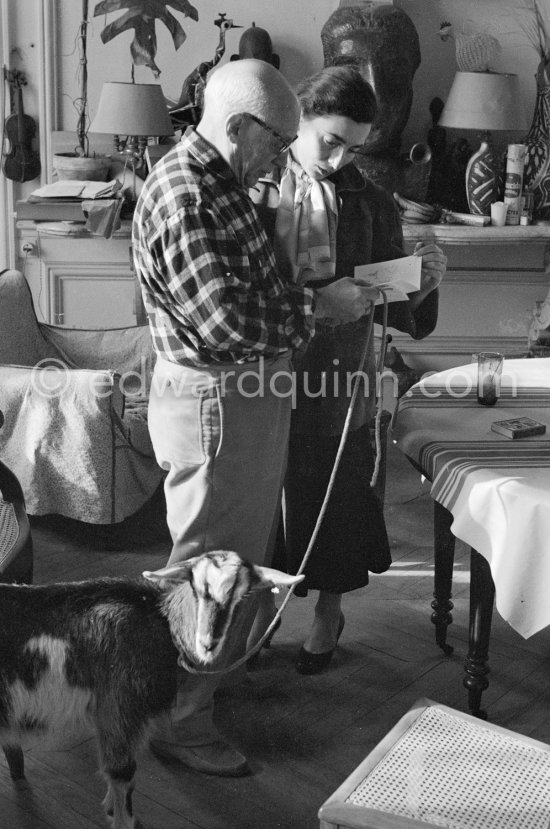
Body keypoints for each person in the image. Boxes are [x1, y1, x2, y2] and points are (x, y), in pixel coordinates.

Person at [132, 59, 374, 777]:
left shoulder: (221, 181)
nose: (286, 152)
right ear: (240, 127)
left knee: (230, 556)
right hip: (217, 400)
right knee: (209, 565)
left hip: (239, 398)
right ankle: (179, 719)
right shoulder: (186, 194)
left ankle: (200, 687)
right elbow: (227, 323)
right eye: (281, 138)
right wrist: (319, 307)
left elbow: (247, 291)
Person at [250, 65, 447, 674]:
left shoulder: (372, 199)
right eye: (329, 140)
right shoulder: (256, 188)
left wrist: (421, 283)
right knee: (265, 495)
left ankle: (328, 611)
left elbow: (394, 293)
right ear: (298, 121)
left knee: (334, 493)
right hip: (269, 371)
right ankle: (260, 612)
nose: (339, 158)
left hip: (344, 375)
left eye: (353, 146)